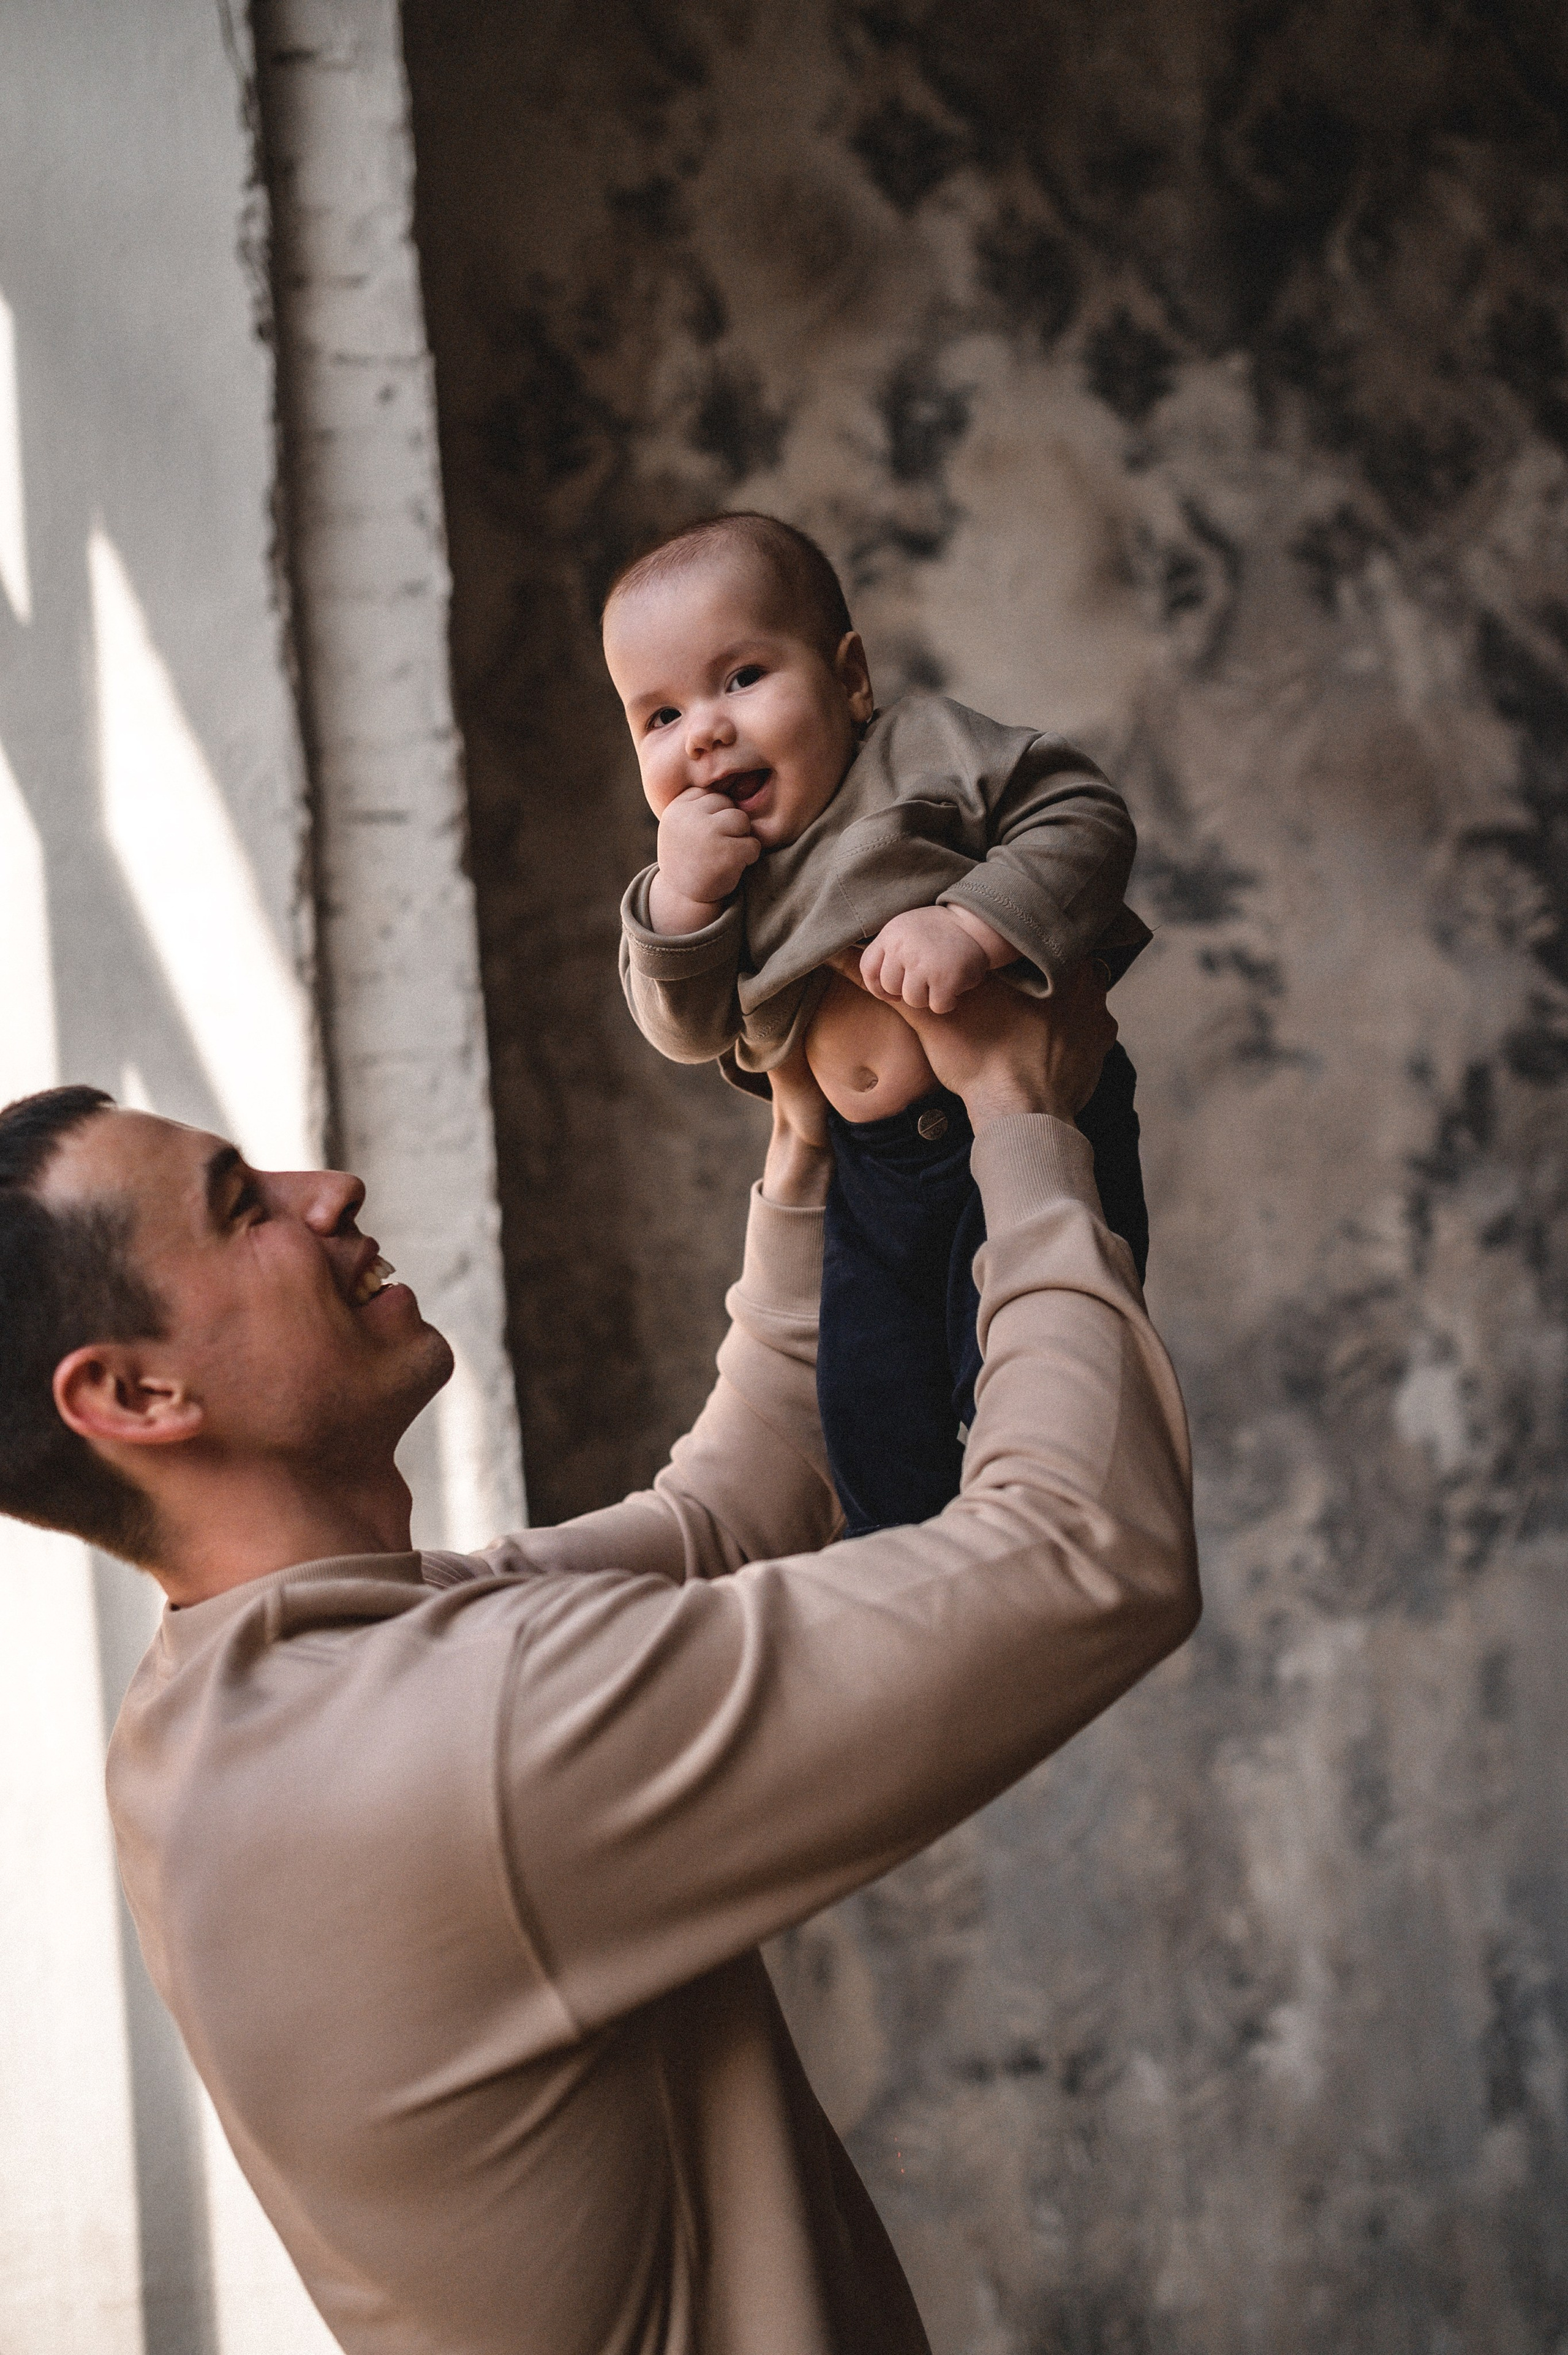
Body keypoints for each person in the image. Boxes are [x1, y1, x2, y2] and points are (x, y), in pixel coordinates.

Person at [0, 966, 1198, 2355]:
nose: (325, 1186)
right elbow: (1085, 1552)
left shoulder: (249, 1697)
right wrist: (1020, 1113)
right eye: (242, 1205)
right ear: (137, 1394)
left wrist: (803, 1118)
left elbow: (728, 1512)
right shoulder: (443, 1737)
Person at [609, 512, 1152, 1533]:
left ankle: (1036, 1552)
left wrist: (977, 925)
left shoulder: (922, 753)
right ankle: (912, 1580)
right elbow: (684, 1028)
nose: (705, 733)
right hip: (872, 1177)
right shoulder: (711, 879)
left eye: (741, 679)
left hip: (1026, 1129)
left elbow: (1085, 813)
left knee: (1015, 1379)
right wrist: (681, 906)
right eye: (659, 717)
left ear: (850, 679)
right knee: (864, 1408)